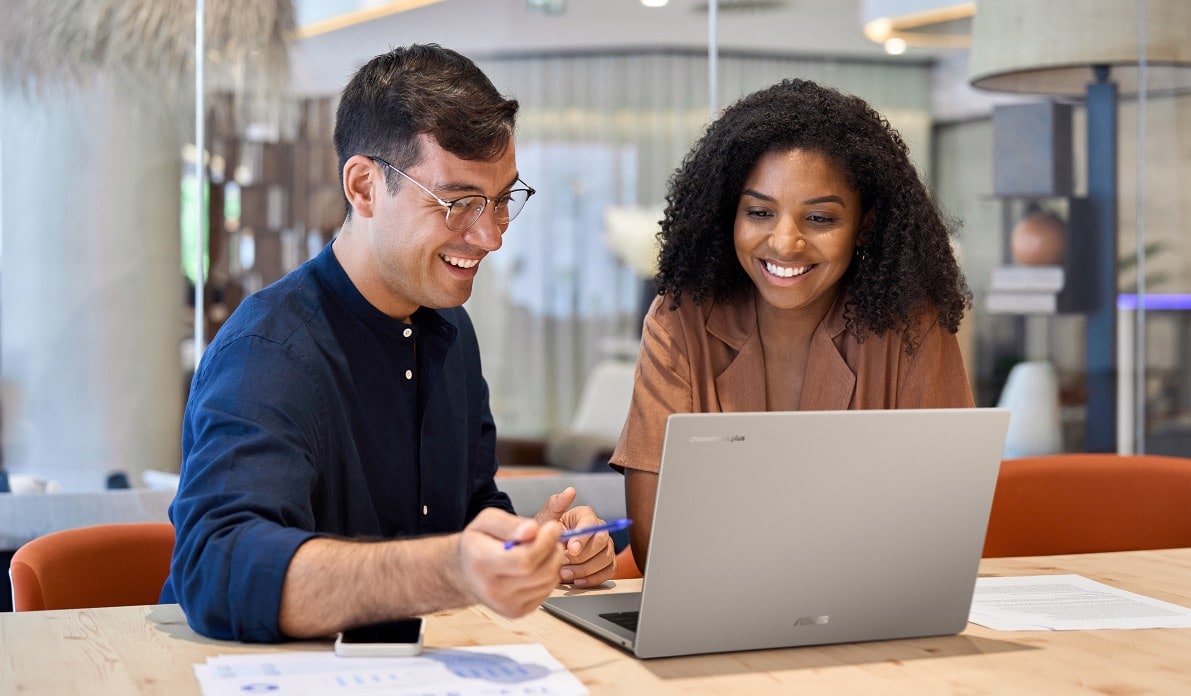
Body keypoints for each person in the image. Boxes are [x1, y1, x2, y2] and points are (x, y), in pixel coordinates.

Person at [162, 44, 616, 642]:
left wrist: (529, 546)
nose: (490, 237)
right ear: (365, 187)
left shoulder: (452, 331)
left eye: (503, 201)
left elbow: (471, 505)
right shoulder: (268, 351)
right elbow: (217, 567)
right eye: (458, 203)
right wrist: (449, 569)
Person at [610, 79, 975, 572]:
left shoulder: (912, 326)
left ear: (864, 225)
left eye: (820, 218)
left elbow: (935, 535)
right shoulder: (681, 321)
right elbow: (658, 548)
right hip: (716, 618)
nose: (785, 243)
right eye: (759, 212)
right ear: (727, 215)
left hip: (871, 623)